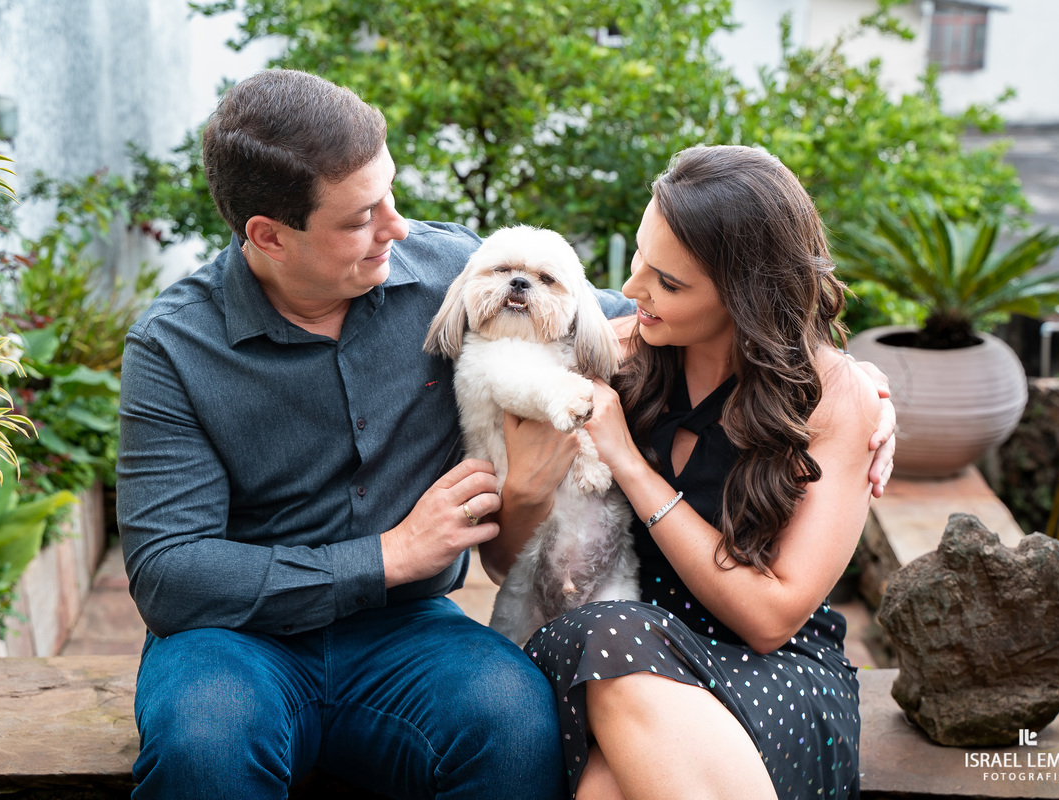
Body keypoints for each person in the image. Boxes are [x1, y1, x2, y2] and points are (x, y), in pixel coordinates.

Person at [117, 69, 893, 799]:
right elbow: (169, 575)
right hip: (234, 641)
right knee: (204, 744)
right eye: (362, 219)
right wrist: (387, 555)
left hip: (402, 636)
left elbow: (640, 314)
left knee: (516, 719)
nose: (398, 226)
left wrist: (853, 386)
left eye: (391, 195)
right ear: (271, 234)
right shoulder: (175, 348)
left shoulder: (451, 271)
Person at [484, 145, 882, 800]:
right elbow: (510, 563)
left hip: (771, 673)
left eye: (668, 282)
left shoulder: (833, 397)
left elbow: (771, 618)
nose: (635, 289)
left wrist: (630, 465)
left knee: (610, 766)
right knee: (605, 643)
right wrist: (523, 485)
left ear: (746, 295)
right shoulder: (612, 357)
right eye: (639, 258)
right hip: (615, 659)